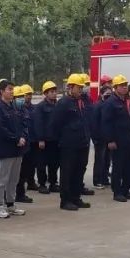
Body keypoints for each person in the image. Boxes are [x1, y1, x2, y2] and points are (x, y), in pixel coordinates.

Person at [50, 74, 91, 211]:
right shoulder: (64, 103)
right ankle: (66, 200)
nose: (81, 90)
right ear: (70, 87)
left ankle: (76, 197)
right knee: (67, 172)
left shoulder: (82, 102)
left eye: (82, 88)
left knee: (79, 172)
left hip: (82, 143)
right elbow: (56, 124)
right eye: (78, 88)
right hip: (69, 144)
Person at [100, 75, 130, 202]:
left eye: (125, 85)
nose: (124, 87)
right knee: (118, 167)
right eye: (122, 86)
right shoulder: (110, 103)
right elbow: (106, 123)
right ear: (115, 87)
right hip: (118, 140)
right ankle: (117, 192)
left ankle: (125, 190)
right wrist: (110, 140)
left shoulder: (127, 101)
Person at [0, 79, 26, 219]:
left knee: (14, 179)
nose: (12, 92)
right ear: (1, 91)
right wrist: (16, 139)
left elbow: (22, 124)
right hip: (5, 149)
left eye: (12, 89)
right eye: (9, 89)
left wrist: (23, 137)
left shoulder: (14, 106)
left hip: (17, 149)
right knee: (2, 179)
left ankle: (10, 204)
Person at [32, 81, 59, 194]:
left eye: (55, 91)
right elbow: (38, 123)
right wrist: (40, 139)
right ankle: (42, 184)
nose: (54, 94)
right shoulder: (40, 107)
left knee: (54, 163)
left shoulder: (57, 105)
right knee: (42, 163)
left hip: (55, 139)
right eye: (51, 92)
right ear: (46, 94)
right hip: (44, 140)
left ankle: (53, 183)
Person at [14, 85, 37, 204]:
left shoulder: (24, 110)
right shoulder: (11, 112)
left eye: (21, 97)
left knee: (24, 172)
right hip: (16, 146)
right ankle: (15, 195)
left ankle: (21, 194)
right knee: (16, 173)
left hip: (26, 144)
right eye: (18, 97)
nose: (21, 99)